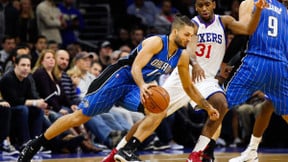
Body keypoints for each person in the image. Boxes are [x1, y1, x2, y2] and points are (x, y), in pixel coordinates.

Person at [18, 14, 219, 162]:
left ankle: (128, 149)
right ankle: (35, 144)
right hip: (116, 79)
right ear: (175, 31)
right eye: (186, 35)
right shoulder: (156, 42)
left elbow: (188, 87)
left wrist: (206, 105)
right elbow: (136, 67)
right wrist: (142, 86)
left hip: (133, 87)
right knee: (79, 117)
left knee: (159, 110)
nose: (189, 39)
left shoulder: (181, 56)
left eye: (192, 36)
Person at [102, 0, 266, 161]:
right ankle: (120, 150)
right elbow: (190, 48)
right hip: (184, 76)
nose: (204, 8)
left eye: (207, 4)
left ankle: (198, 154)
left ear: (214, 4)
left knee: (220, 105)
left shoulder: (225, 21)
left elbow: (247, 29)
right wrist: (194, 64)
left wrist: (257, 10)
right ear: (195, 7)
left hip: (206, 79)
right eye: (200, 5)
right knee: (155, 114)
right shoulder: (192, 25)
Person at [226, 0, 288, 161]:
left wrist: (226, 60)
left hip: (272, 62)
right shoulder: (282, 11)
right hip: (279, 63)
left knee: (223, 102)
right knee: (267, 108)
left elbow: (244, 32)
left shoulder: (253, 4)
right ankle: (252, 151)